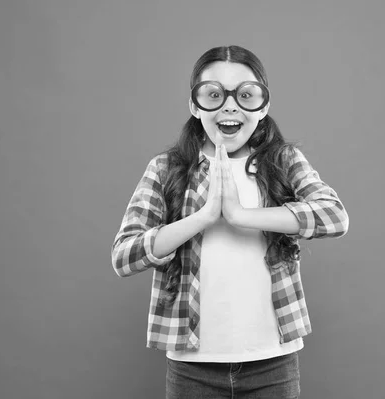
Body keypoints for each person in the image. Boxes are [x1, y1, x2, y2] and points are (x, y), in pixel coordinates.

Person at [111, 45, 349, 399]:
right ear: (195, 105)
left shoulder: (283, 161)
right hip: (192, 367)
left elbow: (334, 216)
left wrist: (241, 216)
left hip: (273, 364)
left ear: (263, 106)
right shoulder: (165, 168)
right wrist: (203, 217)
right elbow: (125, 256)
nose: (230, 105)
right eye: (214, 94)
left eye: (246, 94)